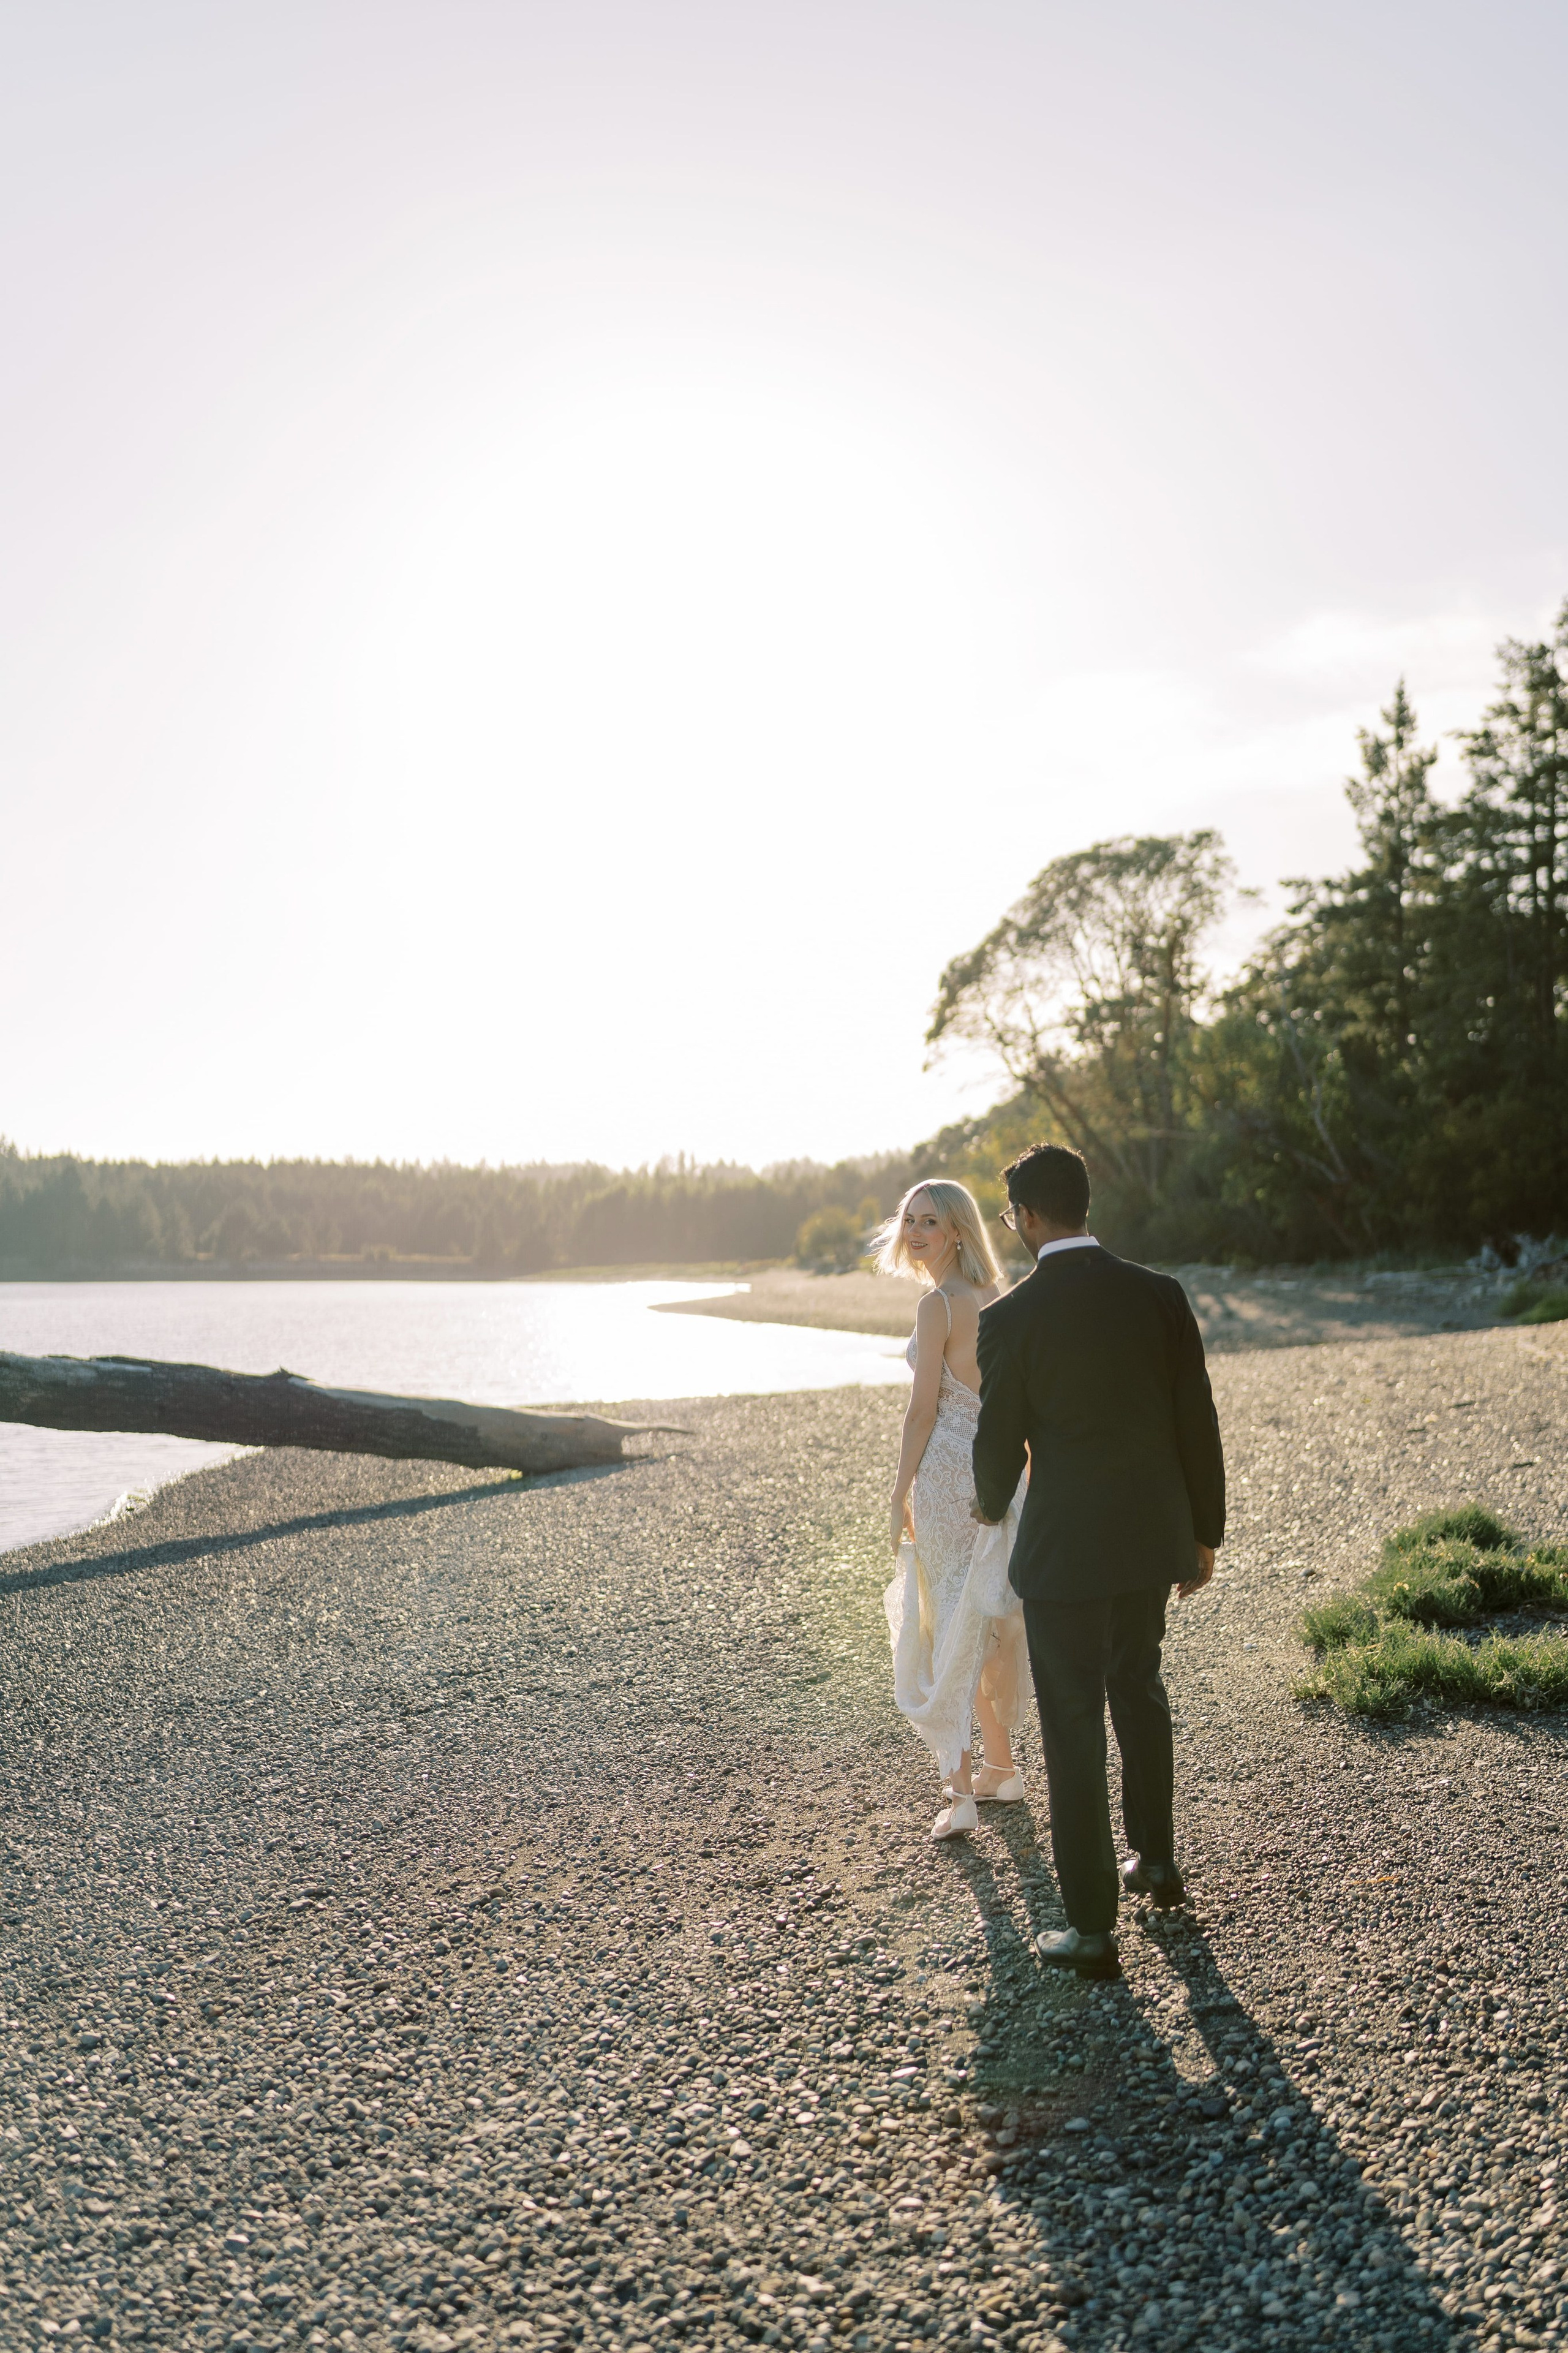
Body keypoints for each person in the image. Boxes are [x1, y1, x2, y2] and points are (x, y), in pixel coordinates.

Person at [972, 1143, 1225, 1977]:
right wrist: (1204, 1533)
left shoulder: (1011, 1317)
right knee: (1140, 1686)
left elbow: (999, 1445)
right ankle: (1156, 1861)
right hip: (1150, 1539)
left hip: (1066, 1554)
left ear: (1031, 1217)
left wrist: (988, 1499)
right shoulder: (1158, 1295)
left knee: (1074, 1722)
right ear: (1085, 1203)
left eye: (1013, 1215)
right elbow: (1197, 1417)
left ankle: (1090, 1931)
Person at [878, 1179, 1033, 1841]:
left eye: (930, 1222)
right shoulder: (997, 1300)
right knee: (982, 1615)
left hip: (945, 1474)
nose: (915, 1233)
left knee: (947, 1621)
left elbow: (921, 1413)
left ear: (959, 1232)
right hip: (996, 1470)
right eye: (908, 1220)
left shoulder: (937, 1305)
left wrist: (897, 1493)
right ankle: (1000, 1770)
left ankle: (959, 1790)